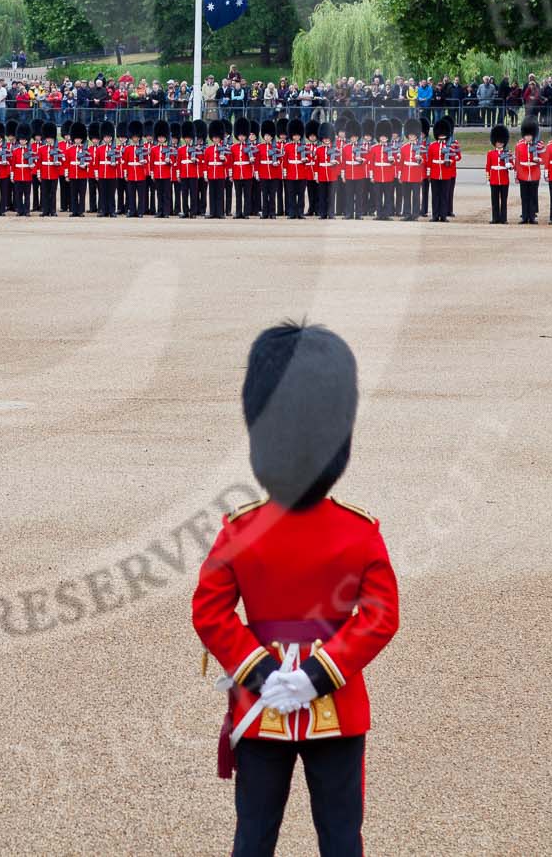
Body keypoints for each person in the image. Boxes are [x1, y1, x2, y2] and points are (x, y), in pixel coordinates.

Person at [192, 324, 398, 857]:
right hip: (336, 702)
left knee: (255, 839)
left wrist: (261, 673)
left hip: (259, 706)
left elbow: (210, 612)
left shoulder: (240, 531)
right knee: (340, 839)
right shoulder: (359, 531)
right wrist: (318, 675)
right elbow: (378, 616)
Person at [485, 123, 510, 224]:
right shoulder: (490, 153)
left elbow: (511, 164)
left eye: (501, 142)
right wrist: (488, 178)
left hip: (504, 179)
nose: (499, 143)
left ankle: (503, 218)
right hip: (494, 179)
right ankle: (495, 218)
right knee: (494, 201)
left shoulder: (507, 153)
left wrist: (510, 165)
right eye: (497, 142)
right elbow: (488, 167)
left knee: (504, 201)